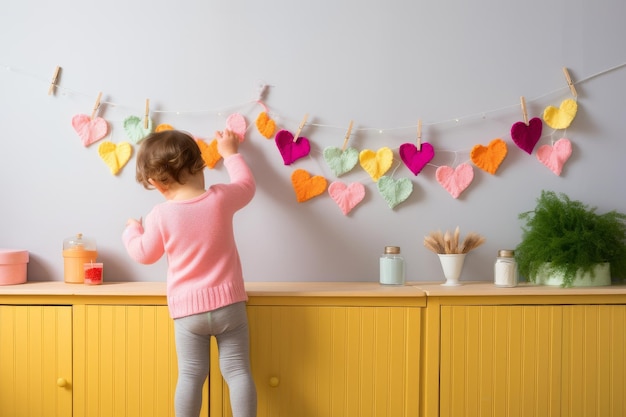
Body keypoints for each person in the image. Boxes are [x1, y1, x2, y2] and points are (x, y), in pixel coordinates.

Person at [122, 129, 257, 417]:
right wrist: (230, 153)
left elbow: (144, 254)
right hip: (229, 306)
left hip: (188, 312)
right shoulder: (220, 198)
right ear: (200, 164)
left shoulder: (161, 215)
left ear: (157, 184)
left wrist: (132, 230)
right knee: (237, 373)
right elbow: (247, 185)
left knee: (191, 377)